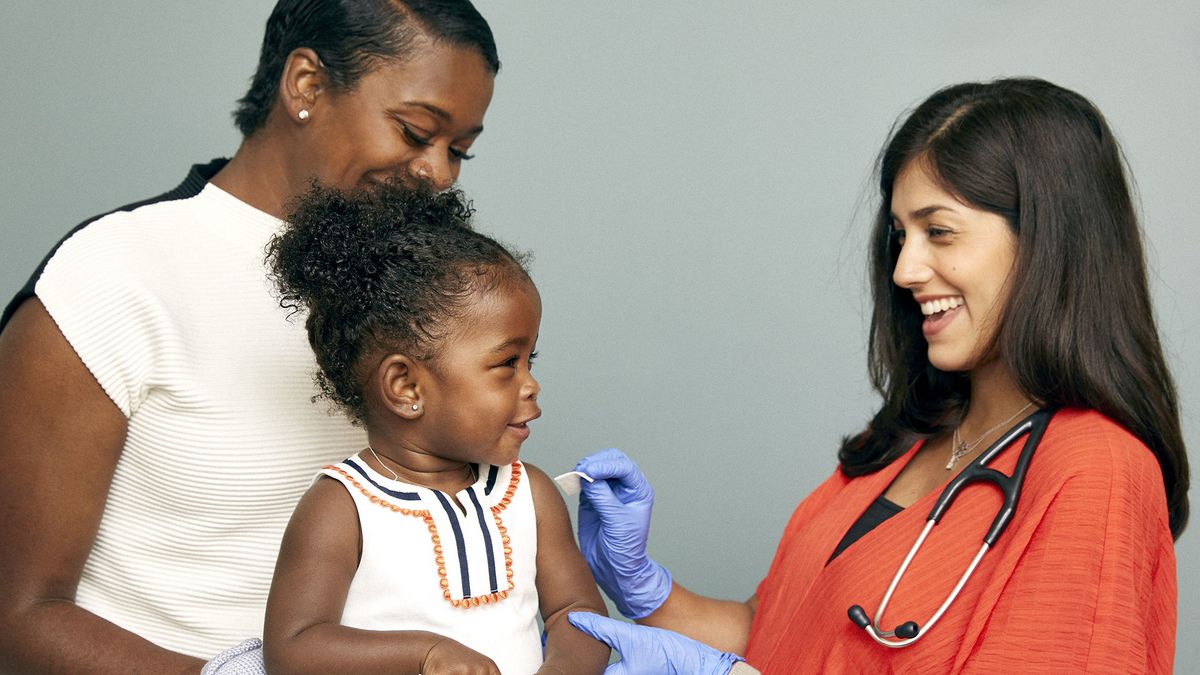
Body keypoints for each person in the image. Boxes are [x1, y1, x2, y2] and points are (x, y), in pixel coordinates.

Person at [566, 77, 1189, 674]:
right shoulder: (901, 439)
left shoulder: (1096, 472)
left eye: (939, 231)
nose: (905, 269)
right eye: (901, 235)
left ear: (1048, 242)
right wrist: (645, 588)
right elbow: (780, 634)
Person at [0, 1, 499, 671]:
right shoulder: (113, 276)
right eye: (415, 132)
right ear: (306, 86)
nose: (439, 173)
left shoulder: (418, 296)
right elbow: (18, 617)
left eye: (459, 150)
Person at [259, 183, 609, 674]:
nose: (531, 385)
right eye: (508, 363)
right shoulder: (344, 505)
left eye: (531, 359)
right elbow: (292, 648)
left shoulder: (529, 493)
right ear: (406, 387)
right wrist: (425, 653)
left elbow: (578, 611)